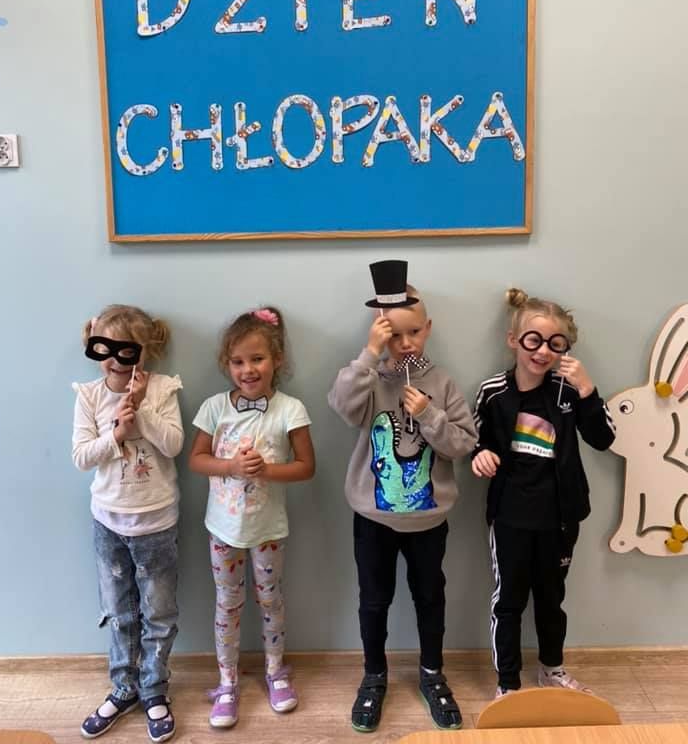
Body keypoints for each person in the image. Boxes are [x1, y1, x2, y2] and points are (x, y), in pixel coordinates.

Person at [328, 260, 477, 733]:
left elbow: (462, 444)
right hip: (374, 518)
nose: (406, 343)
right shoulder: (370, 378)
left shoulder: (443, 383)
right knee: (374, 600)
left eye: (414, 332)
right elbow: (342, 407)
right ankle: (374, 676)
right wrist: (369, 356)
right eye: (395, 335)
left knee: (430, 597)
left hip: (429, 521)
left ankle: (432, 673)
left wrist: (430, 415)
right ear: (381, 333)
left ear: (428, 329)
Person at [472, 288, 615, 698]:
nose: (542, 351)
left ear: (565, 349)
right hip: (510, 515)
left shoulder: (569, 390)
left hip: (560, 516)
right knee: (509, 601)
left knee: (552, 599)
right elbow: (473, 438)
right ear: (513, 340)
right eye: (533, 340)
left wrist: (588, 389)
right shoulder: (493, 391)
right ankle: (508, 684)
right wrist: (480, 454)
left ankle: (552, 669)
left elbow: (603, 438)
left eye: (556, 343)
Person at [189, 306, 315, 729]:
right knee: (227, 604)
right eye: (238, 361)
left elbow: (306, 467)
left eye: (257, 359)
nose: (248, 370)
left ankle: (276, 671)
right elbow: (196, 459)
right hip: (223, 530)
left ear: (276, 359)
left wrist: (266, 470)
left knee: (270, 600)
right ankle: (226, 681)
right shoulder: (214, 408)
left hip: (268, 530)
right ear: (227, 364)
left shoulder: (290, 409)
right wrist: (231, 466)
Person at [72, 304, 183, 743]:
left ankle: (154, 688)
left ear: (145, 350)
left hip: (156, 521)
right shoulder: (89, 395)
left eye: (126, 350)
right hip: (108, 522)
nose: (115, 360)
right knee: (119, 613)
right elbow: (81, 457)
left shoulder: (163, 389)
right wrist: (116, 434)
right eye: (105, 349)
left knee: (159, 612)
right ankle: (124, 687)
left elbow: (173, 445)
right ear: (94, 347)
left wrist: (142, 410)